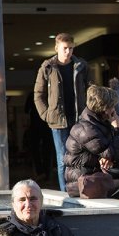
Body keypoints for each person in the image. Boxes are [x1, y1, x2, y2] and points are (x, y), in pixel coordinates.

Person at [64, 85, 119, 204]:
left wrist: (109, 158)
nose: (114, 110)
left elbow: (114, 155)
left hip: (95, 177)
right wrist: (117, 129)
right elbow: (114, 154)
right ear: (103, 108)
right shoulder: (86, 129)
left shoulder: (99, 123)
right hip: (83, 184)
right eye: (112, 106)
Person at [34, 33, 90, 192]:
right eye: (65, 48)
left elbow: (90, 89)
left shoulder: (81, 65)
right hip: (58, 120)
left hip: (78, 118)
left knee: (80, 157)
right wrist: (46, 114)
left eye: (71, 48)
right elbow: (38, 94)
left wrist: (89, 113)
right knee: (62, 159)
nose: (68, 52)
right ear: (57, 47)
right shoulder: (48, 66)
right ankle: (65, 193)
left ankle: (80, 190)